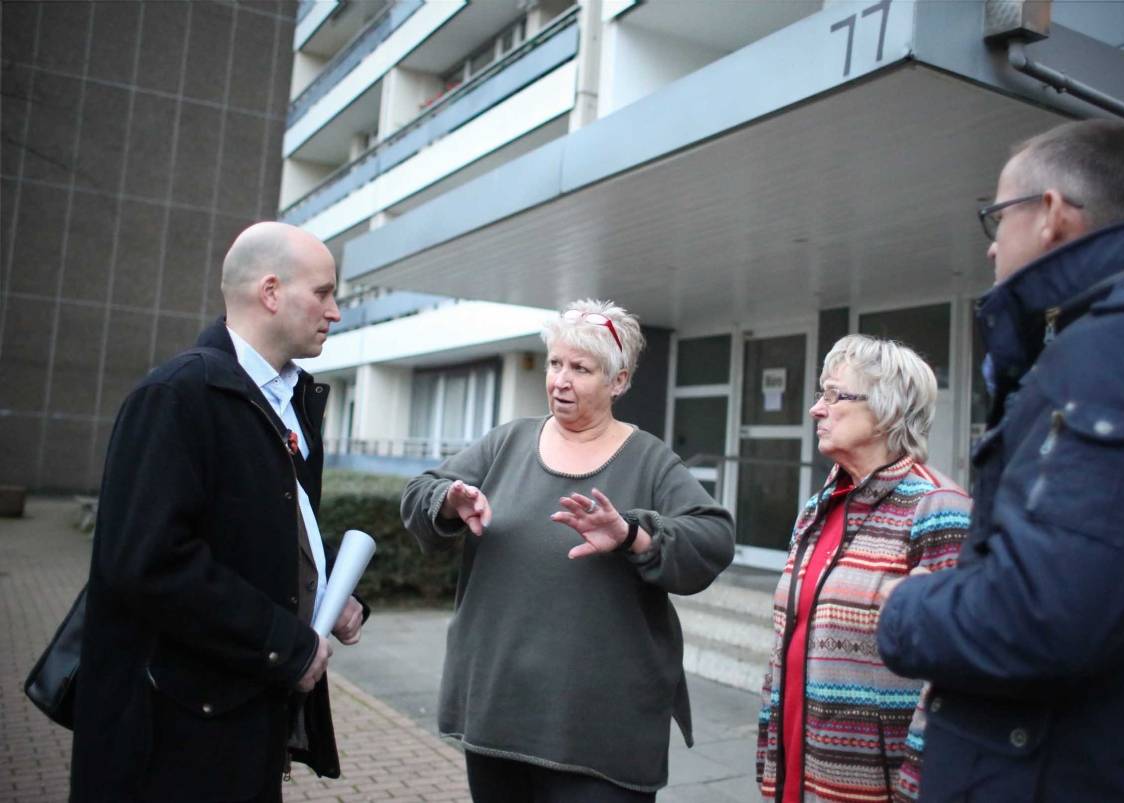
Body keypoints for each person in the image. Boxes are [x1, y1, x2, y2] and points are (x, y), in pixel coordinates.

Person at [876, 119, 1124, 801]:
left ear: (1050, 215)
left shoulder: (1120, 353)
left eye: (998, 217)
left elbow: (1041, 614)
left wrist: (906, 607)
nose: (991, 248)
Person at [71, 221, 368, 802]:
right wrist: (288, 645)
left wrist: (327, 587)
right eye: (324, 292)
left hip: (243, 718)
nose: (335, 312)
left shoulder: (292, 401)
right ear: (271, 292)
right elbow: (148, 563)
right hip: (173, 737)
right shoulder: (175, 398)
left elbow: (259, 528)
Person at [401, 298, 734, 802]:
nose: (560, 379)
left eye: (581, 368)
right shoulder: (506, 443)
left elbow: (712, 539)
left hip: (601, 729)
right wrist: (447, 501)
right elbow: (420, 493)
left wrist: (631, 535)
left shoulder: (648, 459)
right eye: (556, 363)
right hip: (497, 712)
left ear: (618, 381)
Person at [756, 335, 971, 803]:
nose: (817, 409)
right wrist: (767, 749)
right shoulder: (818, 508)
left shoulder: (939, 508)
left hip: (876, 788)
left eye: (834, 395)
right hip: (794, 777)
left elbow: (955, 673)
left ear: (887, 410)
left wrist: (920, 785)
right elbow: (788, 642)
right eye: (820, 394)